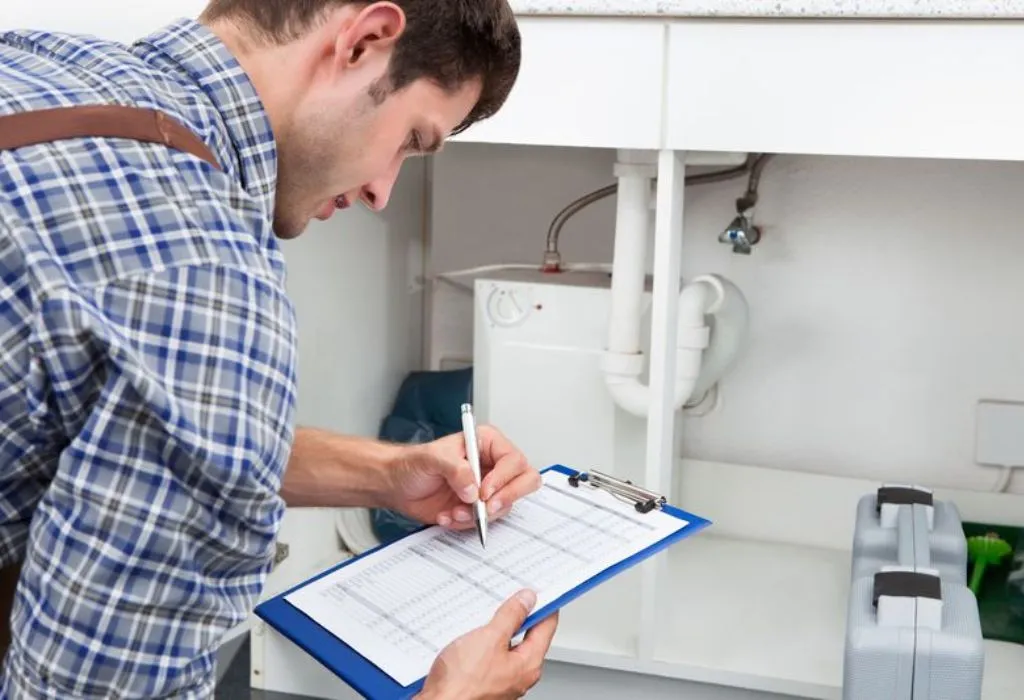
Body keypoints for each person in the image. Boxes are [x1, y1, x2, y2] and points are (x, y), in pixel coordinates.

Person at [0, 1, 559, 697]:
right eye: (411, 140)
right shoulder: (207, 281)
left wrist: (386, 473)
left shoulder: (40, 64)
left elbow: (107, 412)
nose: (383, 192)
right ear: (364, 41)